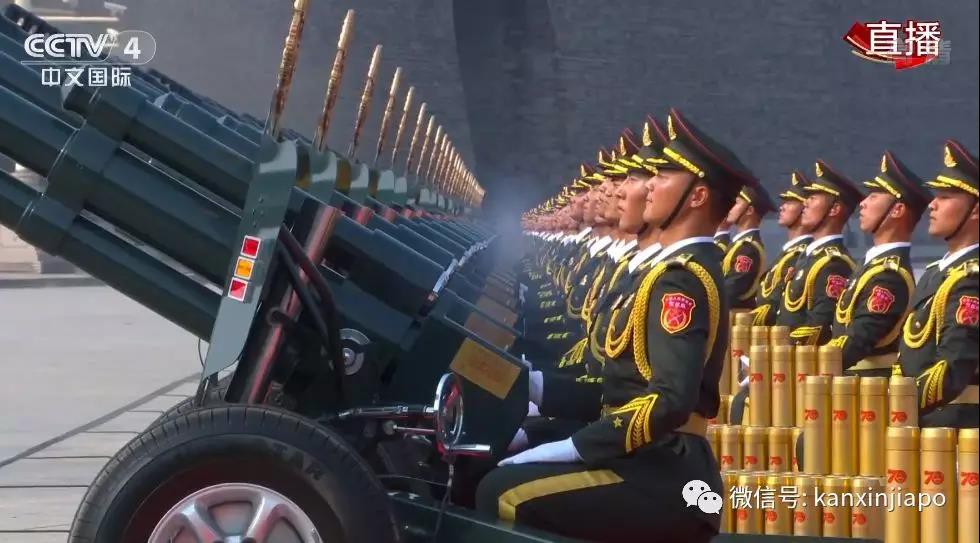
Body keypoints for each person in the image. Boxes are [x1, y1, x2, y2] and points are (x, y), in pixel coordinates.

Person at [477, 109, 754, 542]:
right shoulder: (670, 271)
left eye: (662, 175)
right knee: (494, 454)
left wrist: (575, 447)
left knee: (501, 494)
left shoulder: (681, 279)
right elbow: (621, 389)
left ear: (697, 196)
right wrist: (536, 387)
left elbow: (670, 399)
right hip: (646, 455)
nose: (646, 186)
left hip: (664, 470)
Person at [898, 139, 978, 428]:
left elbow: (951, 369)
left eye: (945, 196)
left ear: (975, 210)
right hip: (919, 420)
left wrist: (893, 404)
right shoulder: (936, 273)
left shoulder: (972, 281)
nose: (932, 204)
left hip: (952, 430)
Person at [827, 151, 930, 376]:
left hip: (867, 389)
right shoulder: (872, 265)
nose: (862, 204)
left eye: (873, 196)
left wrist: (806, 366)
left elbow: (858, 340)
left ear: (897, 210)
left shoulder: (890, 276)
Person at [777, 160, 863, 346]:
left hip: (804, 359)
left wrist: (779, 351)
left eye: (814, 198)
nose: (805, 203)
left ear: (834, 209)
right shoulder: (809, 257)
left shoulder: (833, 263)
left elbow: (819, 327)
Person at [750, 171, 813, 326]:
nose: (782, 208)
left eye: (790, 202)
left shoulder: (800, 255)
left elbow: (776, 304)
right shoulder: (788, 253)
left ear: (804, 209)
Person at [721, 184, 774, 309]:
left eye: (737, 203)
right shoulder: (739, 245)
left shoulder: (747, 249)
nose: (731, 208)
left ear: (749, 211)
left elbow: (732, 289)